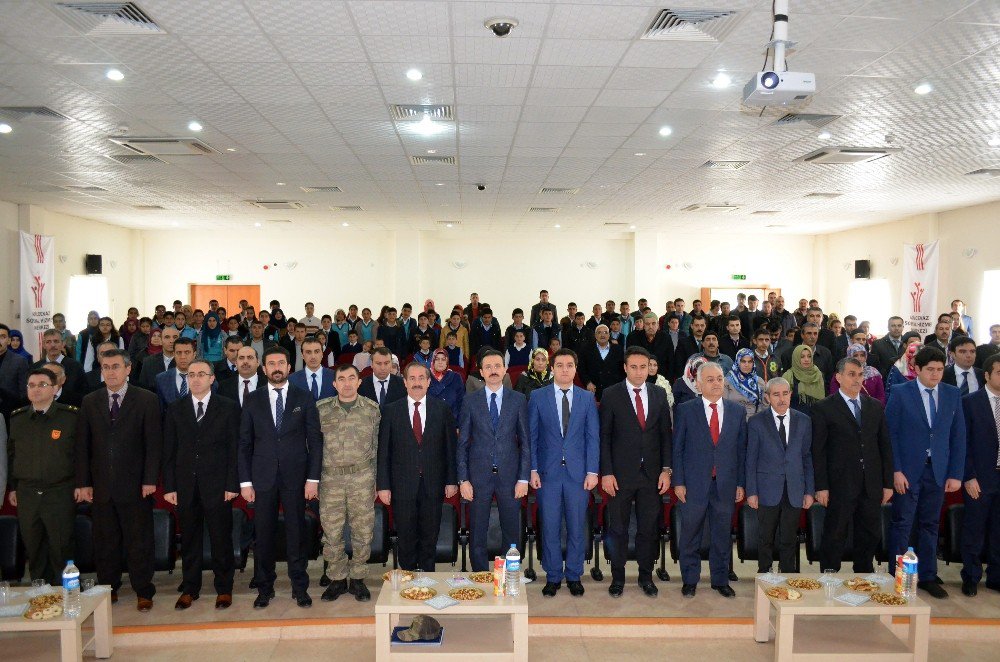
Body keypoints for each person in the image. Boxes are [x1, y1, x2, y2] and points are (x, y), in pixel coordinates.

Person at [76, 349, 162, 611]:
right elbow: (82, 446)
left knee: (139, 541)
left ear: (128, 370)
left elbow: (153, 444)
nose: (110, 372)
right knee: (105, 541)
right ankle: (108, 587)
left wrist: (150, 479)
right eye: (105, 367)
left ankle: (143, 589)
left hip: (136, 485)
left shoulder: (146, 399)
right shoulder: (90, 401)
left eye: (115, 366)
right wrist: (83, 482)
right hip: (101, 486)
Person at [238, 346, 322, 609]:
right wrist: (245, 483)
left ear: (288, 368)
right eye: (271, 363)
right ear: (264, 369)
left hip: (296, 478)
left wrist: (313, 479)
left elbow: (315, 442)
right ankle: (265, 587)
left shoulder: (304, 397)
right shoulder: (252, 399)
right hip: (261, 478)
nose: (276, 367)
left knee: (296, 533)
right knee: (263, 535)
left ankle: (300, 587)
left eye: (281, 363)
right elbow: (244, 444)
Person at [886, 346, 965, 599]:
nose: (935, 374)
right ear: (916, 369)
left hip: (938, 471)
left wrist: (955, 473)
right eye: (930, 369)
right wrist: (896, 470)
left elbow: (958, 436)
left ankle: (928, 576)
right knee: (903, 524)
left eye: (940, 369)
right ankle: (897, 577)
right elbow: (891, 435)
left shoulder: (952, 394)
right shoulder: (900, 393)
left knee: (930, 525)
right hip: (908, 472)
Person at [162, 359, 239, 610]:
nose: (195, 379)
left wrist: (231, 484)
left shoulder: (227, 407)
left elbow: (233, 450)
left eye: (201, 374)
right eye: (191, 375)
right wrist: (170, 487)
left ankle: (224, 588)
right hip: (185, 486)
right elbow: (169, 451)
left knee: (220, 539)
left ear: (212, 378)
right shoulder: (175, 408)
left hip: (218, 485)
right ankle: (190, 587)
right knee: (190, 539)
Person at [599, 347, 673, 598]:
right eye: (634, 367)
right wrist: (606, 473)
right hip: (619, 475)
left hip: (652, 475)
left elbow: (665, 435)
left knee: (648, 528)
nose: (639, 372)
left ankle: (646, 576)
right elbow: (605, 437)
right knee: (618, 528)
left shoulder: (659, 394)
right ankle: (617, 577)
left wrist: (666, 470)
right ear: (625, 368)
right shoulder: (611, 395)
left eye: (644, 367)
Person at [811, 358, 894, 574]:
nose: (857, 379)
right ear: (838, 377)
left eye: (860, 374)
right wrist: (821, 486)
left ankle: (864, 574)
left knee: (870, 533)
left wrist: (887, 483)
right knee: (835, 532)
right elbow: (818, 452)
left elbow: (884, 447)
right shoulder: (823, 408)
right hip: (840, 483)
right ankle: (829, 574)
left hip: (871, 483)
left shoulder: (875, 406)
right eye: (851, 374)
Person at [672, 362, 747, 598]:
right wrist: (679, 482)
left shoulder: (737, 411)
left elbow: (741, 451)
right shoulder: (685, 410)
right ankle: (690, 579)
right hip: (693, 483)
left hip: (725, 483)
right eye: (711, 379)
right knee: (691, 533)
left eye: (719, 378)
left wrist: (740, 483)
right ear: (699, 383)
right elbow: (678, 449)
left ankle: (720, 579)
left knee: (722, 534)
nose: (716, 383)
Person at [528, 348, 599, 597]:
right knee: (549, 526)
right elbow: (532, 437)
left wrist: (592, 471)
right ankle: (553, 575)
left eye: (569, 365)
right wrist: (533, 469)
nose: (565, 369)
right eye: (559, 365)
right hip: (547, 473)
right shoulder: (538, 397)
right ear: (552, 368)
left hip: (579, 474)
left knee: (577, 525)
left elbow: (593, 437)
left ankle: (574, 574)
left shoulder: (586, 398)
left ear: (575, 369)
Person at [377, 362, 458, 571]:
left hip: (434, 482)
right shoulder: (390, 411)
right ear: (404, 382)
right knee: (406, 535)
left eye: (421, 378)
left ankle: (428, 577)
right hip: (402, 485)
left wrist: (451, 480)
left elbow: (450, 447)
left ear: (429, 382)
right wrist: (383, 485)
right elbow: (383, 451)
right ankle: (408, 579)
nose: (416, 383)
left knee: (430, 535)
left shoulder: (442, 409)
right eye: (411, 379)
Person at [6, 368, 83, 586]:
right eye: (31, 385)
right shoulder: (18, 418)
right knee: (33, 545)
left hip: (59, 490)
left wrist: (81, 484)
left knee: (61, 545)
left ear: (56, 388)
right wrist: (14, 487)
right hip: (27, 493)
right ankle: (41, 592)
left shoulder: (70, 416)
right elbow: (13, 456)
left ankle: (67, 591)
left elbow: (80, 455)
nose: (36, 389)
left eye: (42, 384)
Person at [457, 350, 530, 571]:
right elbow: (462, 444)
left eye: (497, 366)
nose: (493, 370)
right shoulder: (470, 401)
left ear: (505, 369)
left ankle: (511, 574)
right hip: (478, 476)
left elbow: (525, 442)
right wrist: (463, 480)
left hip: (510, 476)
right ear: (481, 372)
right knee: (478, 530)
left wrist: (523, 478)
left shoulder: (518, 400)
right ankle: (480, 575)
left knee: (511, 530)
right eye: (488, 367)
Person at [317, 365, 382, 603]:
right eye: (341, 379)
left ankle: (357, 579)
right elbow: (312, 447)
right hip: (330, 479)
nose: (346, 383)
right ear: (334, 384)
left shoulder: (371, 410)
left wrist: (376, 480)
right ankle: (336, 579)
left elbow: (377, 448)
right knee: (332, 532)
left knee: (363, 531)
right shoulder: (321, 410)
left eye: (351, 378)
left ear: (359, 382)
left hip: (362, 478)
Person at [745, 377, 814, 574]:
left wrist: (809, 490)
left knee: (789, 538)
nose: (781, 398)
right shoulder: (757, 422)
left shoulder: (804, 420)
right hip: (766, 488)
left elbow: (807, 457)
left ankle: (788, 575)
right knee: (765, 537)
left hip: (794, 487)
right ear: (767, 397)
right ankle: (764, 574)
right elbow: (751, 459)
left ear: (791, 395)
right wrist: (752, 491)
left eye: (785, 393)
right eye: (776, 394)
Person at [959, 354, 1000, 596]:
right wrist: (969, 475)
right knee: (974, 529)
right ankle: (971, 576)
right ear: (987, 375)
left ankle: (995, 577)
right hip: (980, 477)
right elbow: (963, 443)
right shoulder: (970, 402)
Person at [32, 328, 86, 405]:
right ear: (43, 345)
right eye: (48, 342)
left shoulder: (76, 367)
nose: (53, 345)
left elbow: (82, 394)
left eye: (56, 341)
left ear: (63, 343)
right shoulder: (35, 368)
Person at [579, 324, 625, 402]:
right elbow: (581, 369)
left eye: (605, 332)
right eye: (599, 332)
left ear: (609, 335)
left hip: (613, 389)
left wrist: (619, 385)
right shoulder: (586, 350)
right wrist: (587, 382)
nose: (602, 335)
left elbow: (623, 370)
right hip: (594, 390)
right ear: (595, 335)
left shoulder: (618, 349)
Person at [155, 337, 198, 413]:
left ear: (194, 354)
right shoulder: (161, 379)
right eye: (179, 353)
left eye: (187, 352)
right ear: (174, 354)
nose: (183, 357)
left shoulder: (206, 378)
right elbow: (160, 410)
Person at [724, 349, 769, 419]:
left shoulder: (759, 381)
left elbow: (764, 405)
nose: (746, 365)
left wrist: (756, 420)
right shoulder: (728, 380)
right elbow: (724, 405)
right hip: (733, 420)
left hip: (754, 421)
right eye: (743, 361)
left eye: (750, 362)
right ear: (737, 362)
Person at [783, 345, 825, 416]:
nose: (806, 359)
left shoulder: (817, 374)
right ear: (796, 358)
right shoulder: (788, 376)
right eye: (802, 357)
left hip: (816, 418)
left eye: (809, 356)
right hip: (795, 419)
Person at [427, 349, 464, 421]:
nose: (440, 362)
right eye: (437, 359)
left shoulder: (456, 377)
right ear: (433, 361)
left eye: (443, 359)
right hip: (430, 422)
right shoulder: (426, 377)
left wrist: (458, 425)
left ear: (447, 362)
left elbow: (461, 402)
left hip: (451, 421)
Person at [139, 326, 178, 390]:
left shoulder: (187, 362)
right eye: (167, 337)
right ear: (161, 340)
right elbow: (143, 388)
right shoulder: (148, 362)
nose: (171, 341)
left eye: (175, 337)